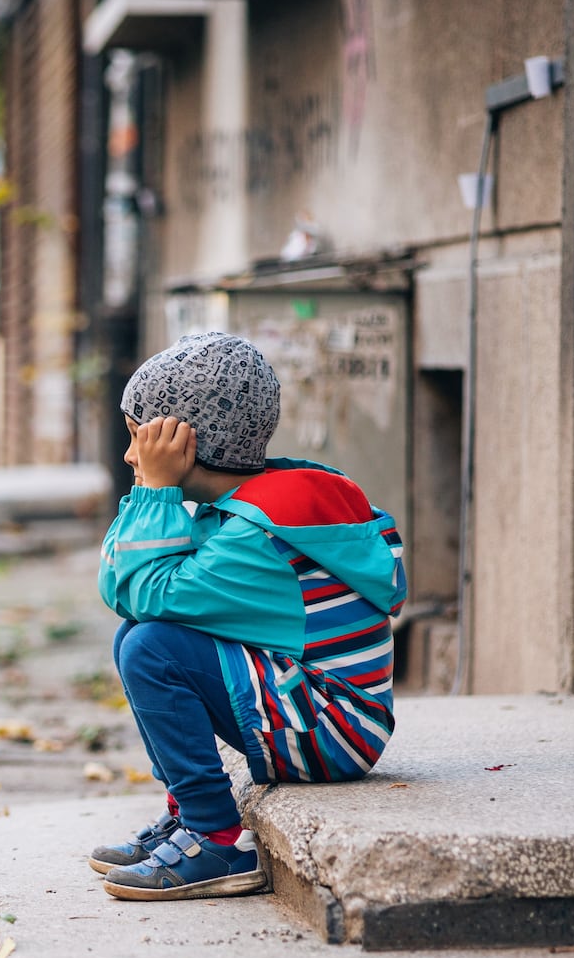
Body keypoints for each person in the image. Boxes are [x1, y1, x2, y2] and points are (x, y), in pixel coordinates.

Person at [93, 331, 407, 901]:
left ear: (184, 440)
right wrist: (154, 494)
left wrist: (151, 494)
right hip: (328, 713)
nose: (130, 456)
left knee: (149, 646)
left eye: (139, 437)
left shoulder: (255, 537)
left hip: (333, 731)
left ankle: (215, 838)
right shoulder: (258, 508)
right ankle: (186, 811)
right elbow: (135, 595)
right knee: (136, 637)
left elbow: (133, 586)